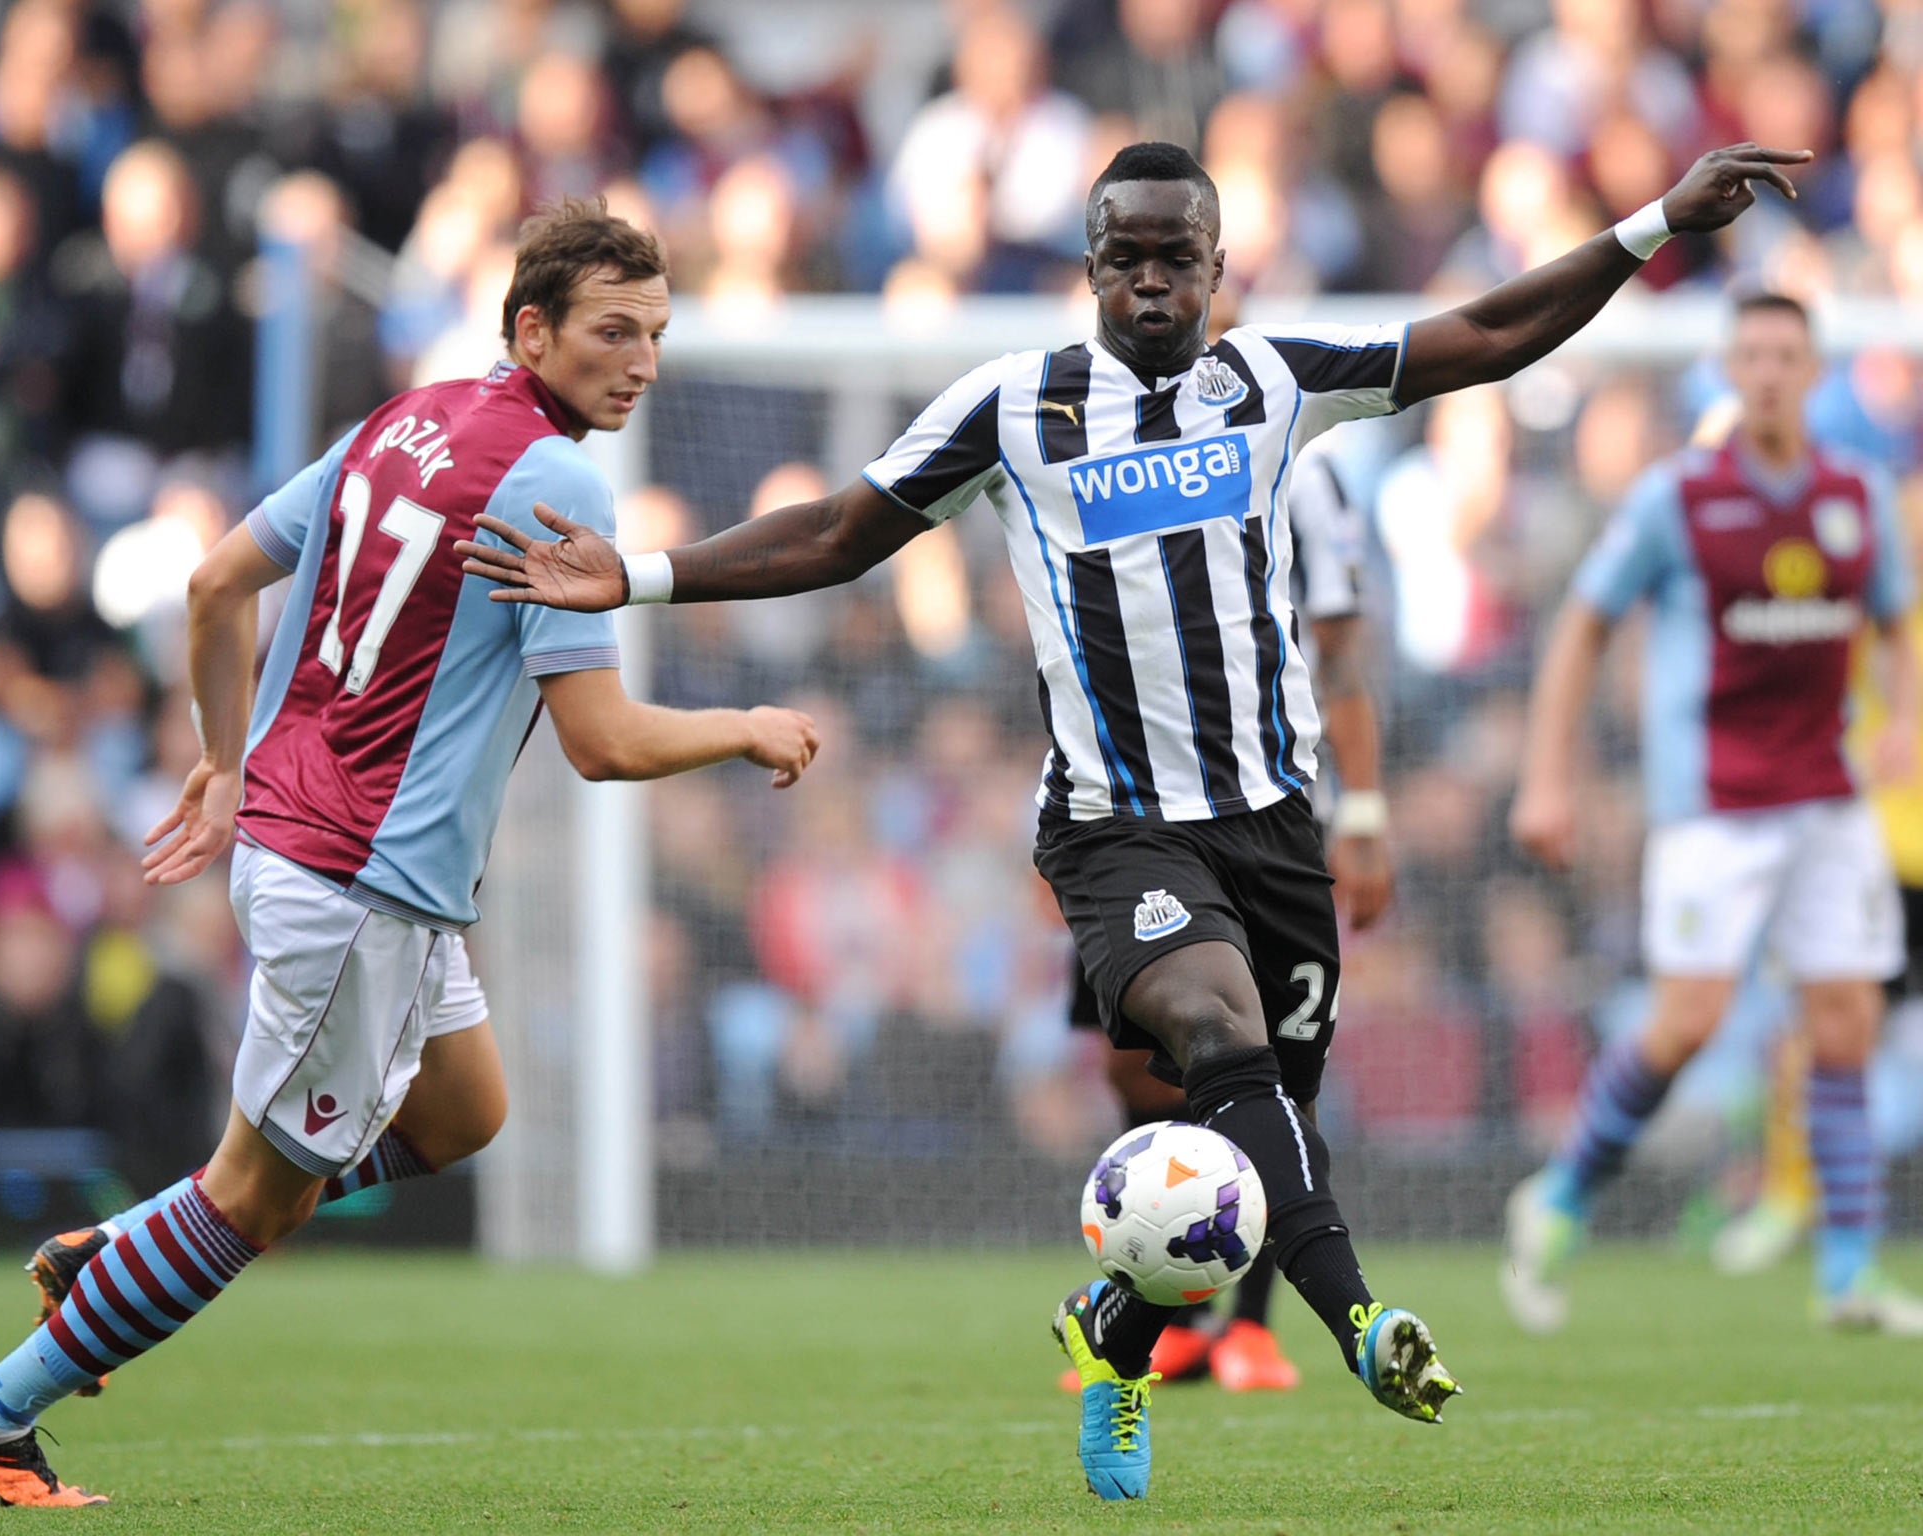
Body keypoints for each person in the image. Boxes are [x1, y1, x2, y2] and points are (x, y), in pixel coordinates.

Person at [460, 139, 1805, 1500]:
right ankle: (1362, 1322)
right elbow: (836, 532)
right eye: (1126, 256)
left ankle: (1120, 1330)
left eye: (1178, 257)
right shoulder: (1016, 407)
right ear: (1091, 263)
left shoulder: (1274, 383)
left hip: (1275, 826)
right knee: (1225, 1044)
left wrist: (1647, 226)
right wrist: (632, 578)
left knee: (1253, 1143)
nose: (1152, 280)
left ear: (1219, 266)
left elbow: (1494, 335)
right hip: (1116, 831)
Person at [0, 198, 821, 1509]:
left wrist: (227, 760)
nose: (640, 362)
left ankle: (118, 1246)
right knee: (253, 1202)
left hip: (318, 846)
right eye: (612, 332)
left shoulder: (404, 418)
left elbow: (218, 582)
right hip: (359, 881)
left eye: (657, 335)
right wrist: (743, 725)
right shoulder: (558, 482)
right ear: (532, 329)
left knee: (465, 1111)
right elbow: (603, 743)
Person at [1504, 291, 1923, 1336]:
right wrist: (1546, 775)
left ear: (1812, 369)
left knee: (1845, 1023)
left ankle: (1845, 1274)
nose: (1769, 371)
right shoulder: (1676, 497)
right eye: (1752, 355)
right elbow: (1581, 627)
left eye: (1787, 353)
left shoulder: (1852, 492)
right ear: (1729, 372)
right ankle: (1557, 1199)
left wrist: (1903, 717)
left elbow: (1894, 620)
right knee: (1685, 1022)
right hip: (1712, 805)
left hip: (1826, 796)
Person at [1057, 442, 1393, 1398]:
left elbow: (1339, 646)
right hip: (1126, 820)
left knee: (1273, 1075)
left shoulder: (1302, 467)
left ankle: (1241, 1328)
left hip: (1266, 818)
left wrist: (1363, 812)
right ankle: (1163, 1313)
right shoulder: (1091, 452)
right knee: (1138, 1060)